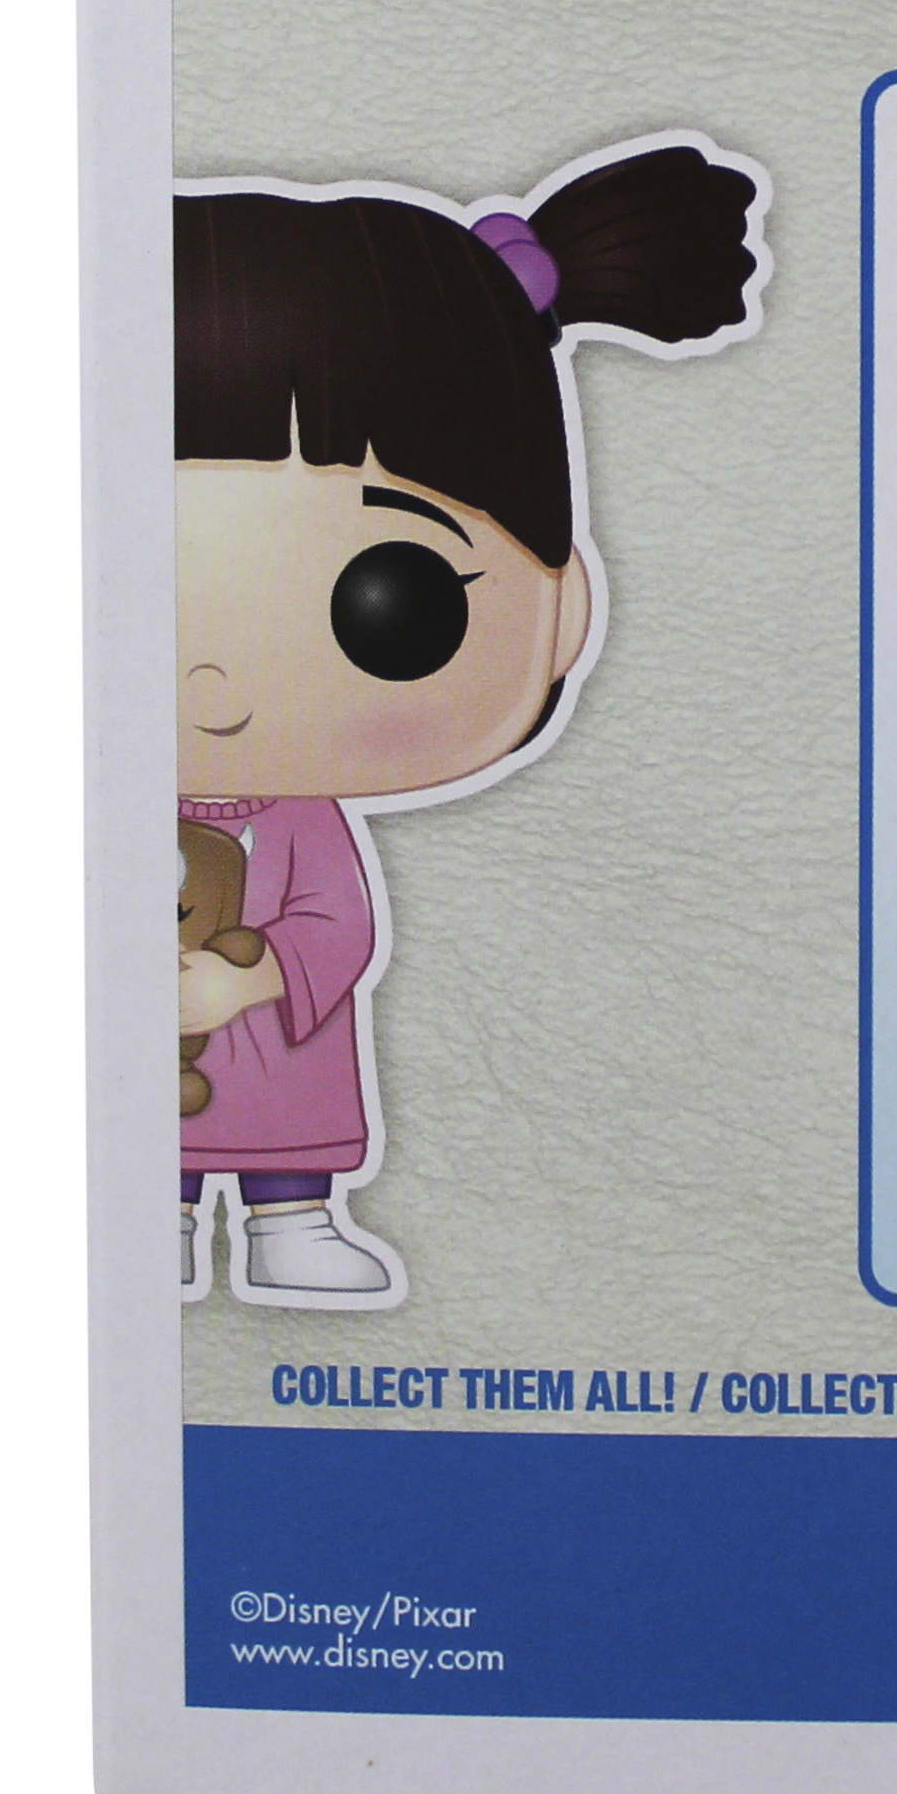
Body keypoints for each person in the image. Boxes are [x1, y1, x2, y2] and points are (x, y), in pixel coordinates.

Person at [174, 134, 762, 1303]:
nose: (215, 689)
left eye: (389, 604)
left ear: (560, 611)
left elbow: (337, 929)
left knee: (289, 1130)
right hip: (133, 1066)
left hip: (272, 1035)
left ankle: (292, 1218)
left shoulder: (299, 825)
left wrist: (249, 978)